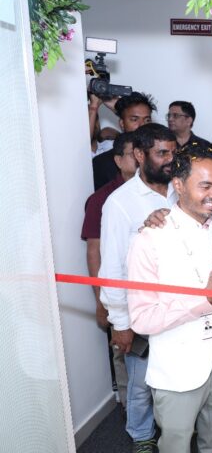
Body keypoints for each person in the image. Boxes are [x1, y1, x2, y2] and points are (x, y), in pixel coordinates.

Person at [127, 144, 212, 452]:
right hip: (176, 368)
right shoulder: (149, 239)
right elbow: (142, 319)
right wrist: (204, 298)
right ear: (179, 185)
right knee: (175, 446)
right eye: (205, 186)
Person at [99, 123, 178, 453]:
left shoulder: (182, 188)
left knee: (176, 381)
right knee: (141, 384)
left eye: (173, 152)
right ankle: (142, 437)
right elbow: (112, 268)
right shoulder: (119, 203)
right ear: (139, 155)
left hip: (179, 310)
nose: (170, 159)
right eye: (162, 153)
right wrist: (121, 323)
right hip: (141, 313)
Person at [81, 131, 138, 408]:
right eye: (133, 154)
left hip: (152, 298)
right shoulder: (102, 199)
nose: (140, 159)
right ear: (118, 160)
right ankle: (132, 417)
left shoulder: (163, 192)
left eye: (143, 153)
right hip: (119, 296)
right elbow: (94, 252)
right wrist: (100, 301)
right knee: (125, 357)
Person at [92, 92, 156, 190]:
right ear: (122, 124)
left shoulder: (162, 155)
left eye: (147, 120)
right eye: (134, 120)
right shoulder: (102, 163)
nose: (142, 125)